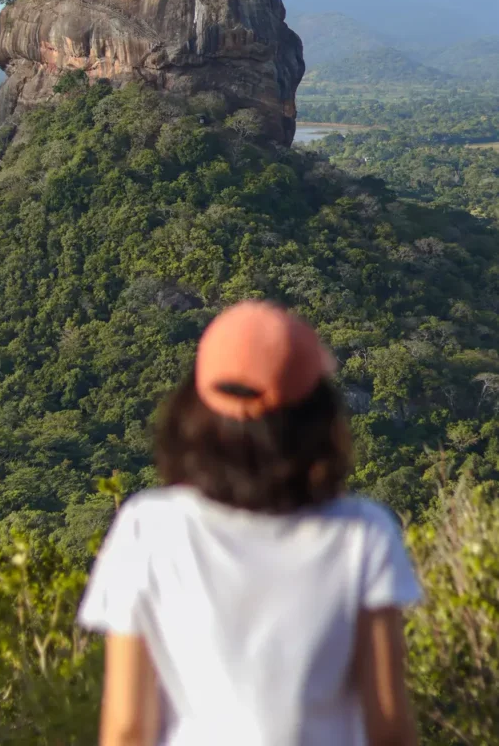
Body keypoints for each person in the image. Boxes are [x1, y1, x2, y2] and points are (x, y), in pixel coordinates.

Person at [78, 300, 421, 746]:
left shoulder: (148, 528)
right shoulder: (362, 533)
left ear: (194, 407)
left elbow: (127, 728)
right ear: (316, 414)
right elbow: (388, 726)